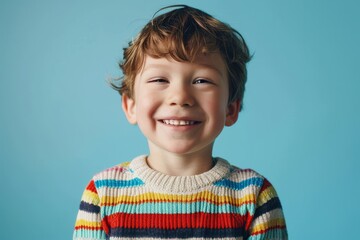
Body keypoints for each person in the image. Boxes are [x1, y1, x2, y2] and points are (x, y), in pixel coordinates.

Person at [73, 5, 288, 240]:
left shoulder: (255, 196)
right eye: (159, 79)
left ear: (230, 108)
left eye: (202, 80)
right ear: (131, 105)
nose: (180, 97)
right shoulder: (102, 194)